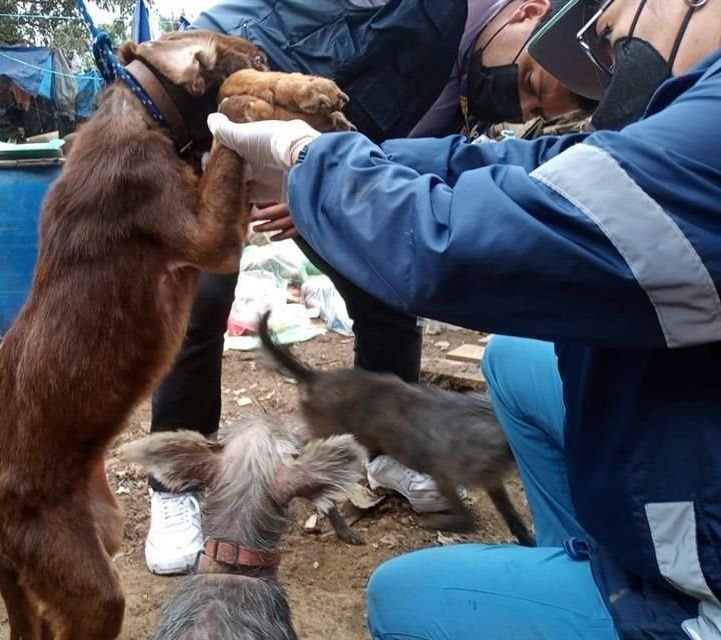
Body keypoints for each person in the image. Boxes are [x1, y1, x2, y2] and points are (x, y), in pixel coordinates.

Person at [206, 0, 721, 637]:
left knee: (398, 596)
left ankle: (620, 599)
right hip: (686, 435)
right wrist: (341, 157)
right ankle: (579, 565)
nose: (607, 67)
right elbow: (539, 170)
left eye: (610, 39)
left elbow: (459, 253)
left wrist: (310, 159)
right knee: (510, 360)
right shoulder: (696, 112)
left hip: (703, 590)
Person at [143, 0, 594, 577]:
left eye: (528, 108)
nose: (514, 96)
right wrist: (277, 134)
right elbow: (296, 38)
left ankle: (384, 451)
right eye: (529, 77)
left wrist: (317, 183)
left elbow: (405, 170)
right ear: (530, 11)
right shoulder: (426, 11)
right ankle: (174, 482)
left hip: (311, 165)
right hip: (228, 96)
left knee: (385, 292)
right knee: (203, 294)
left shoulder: (466, 101)